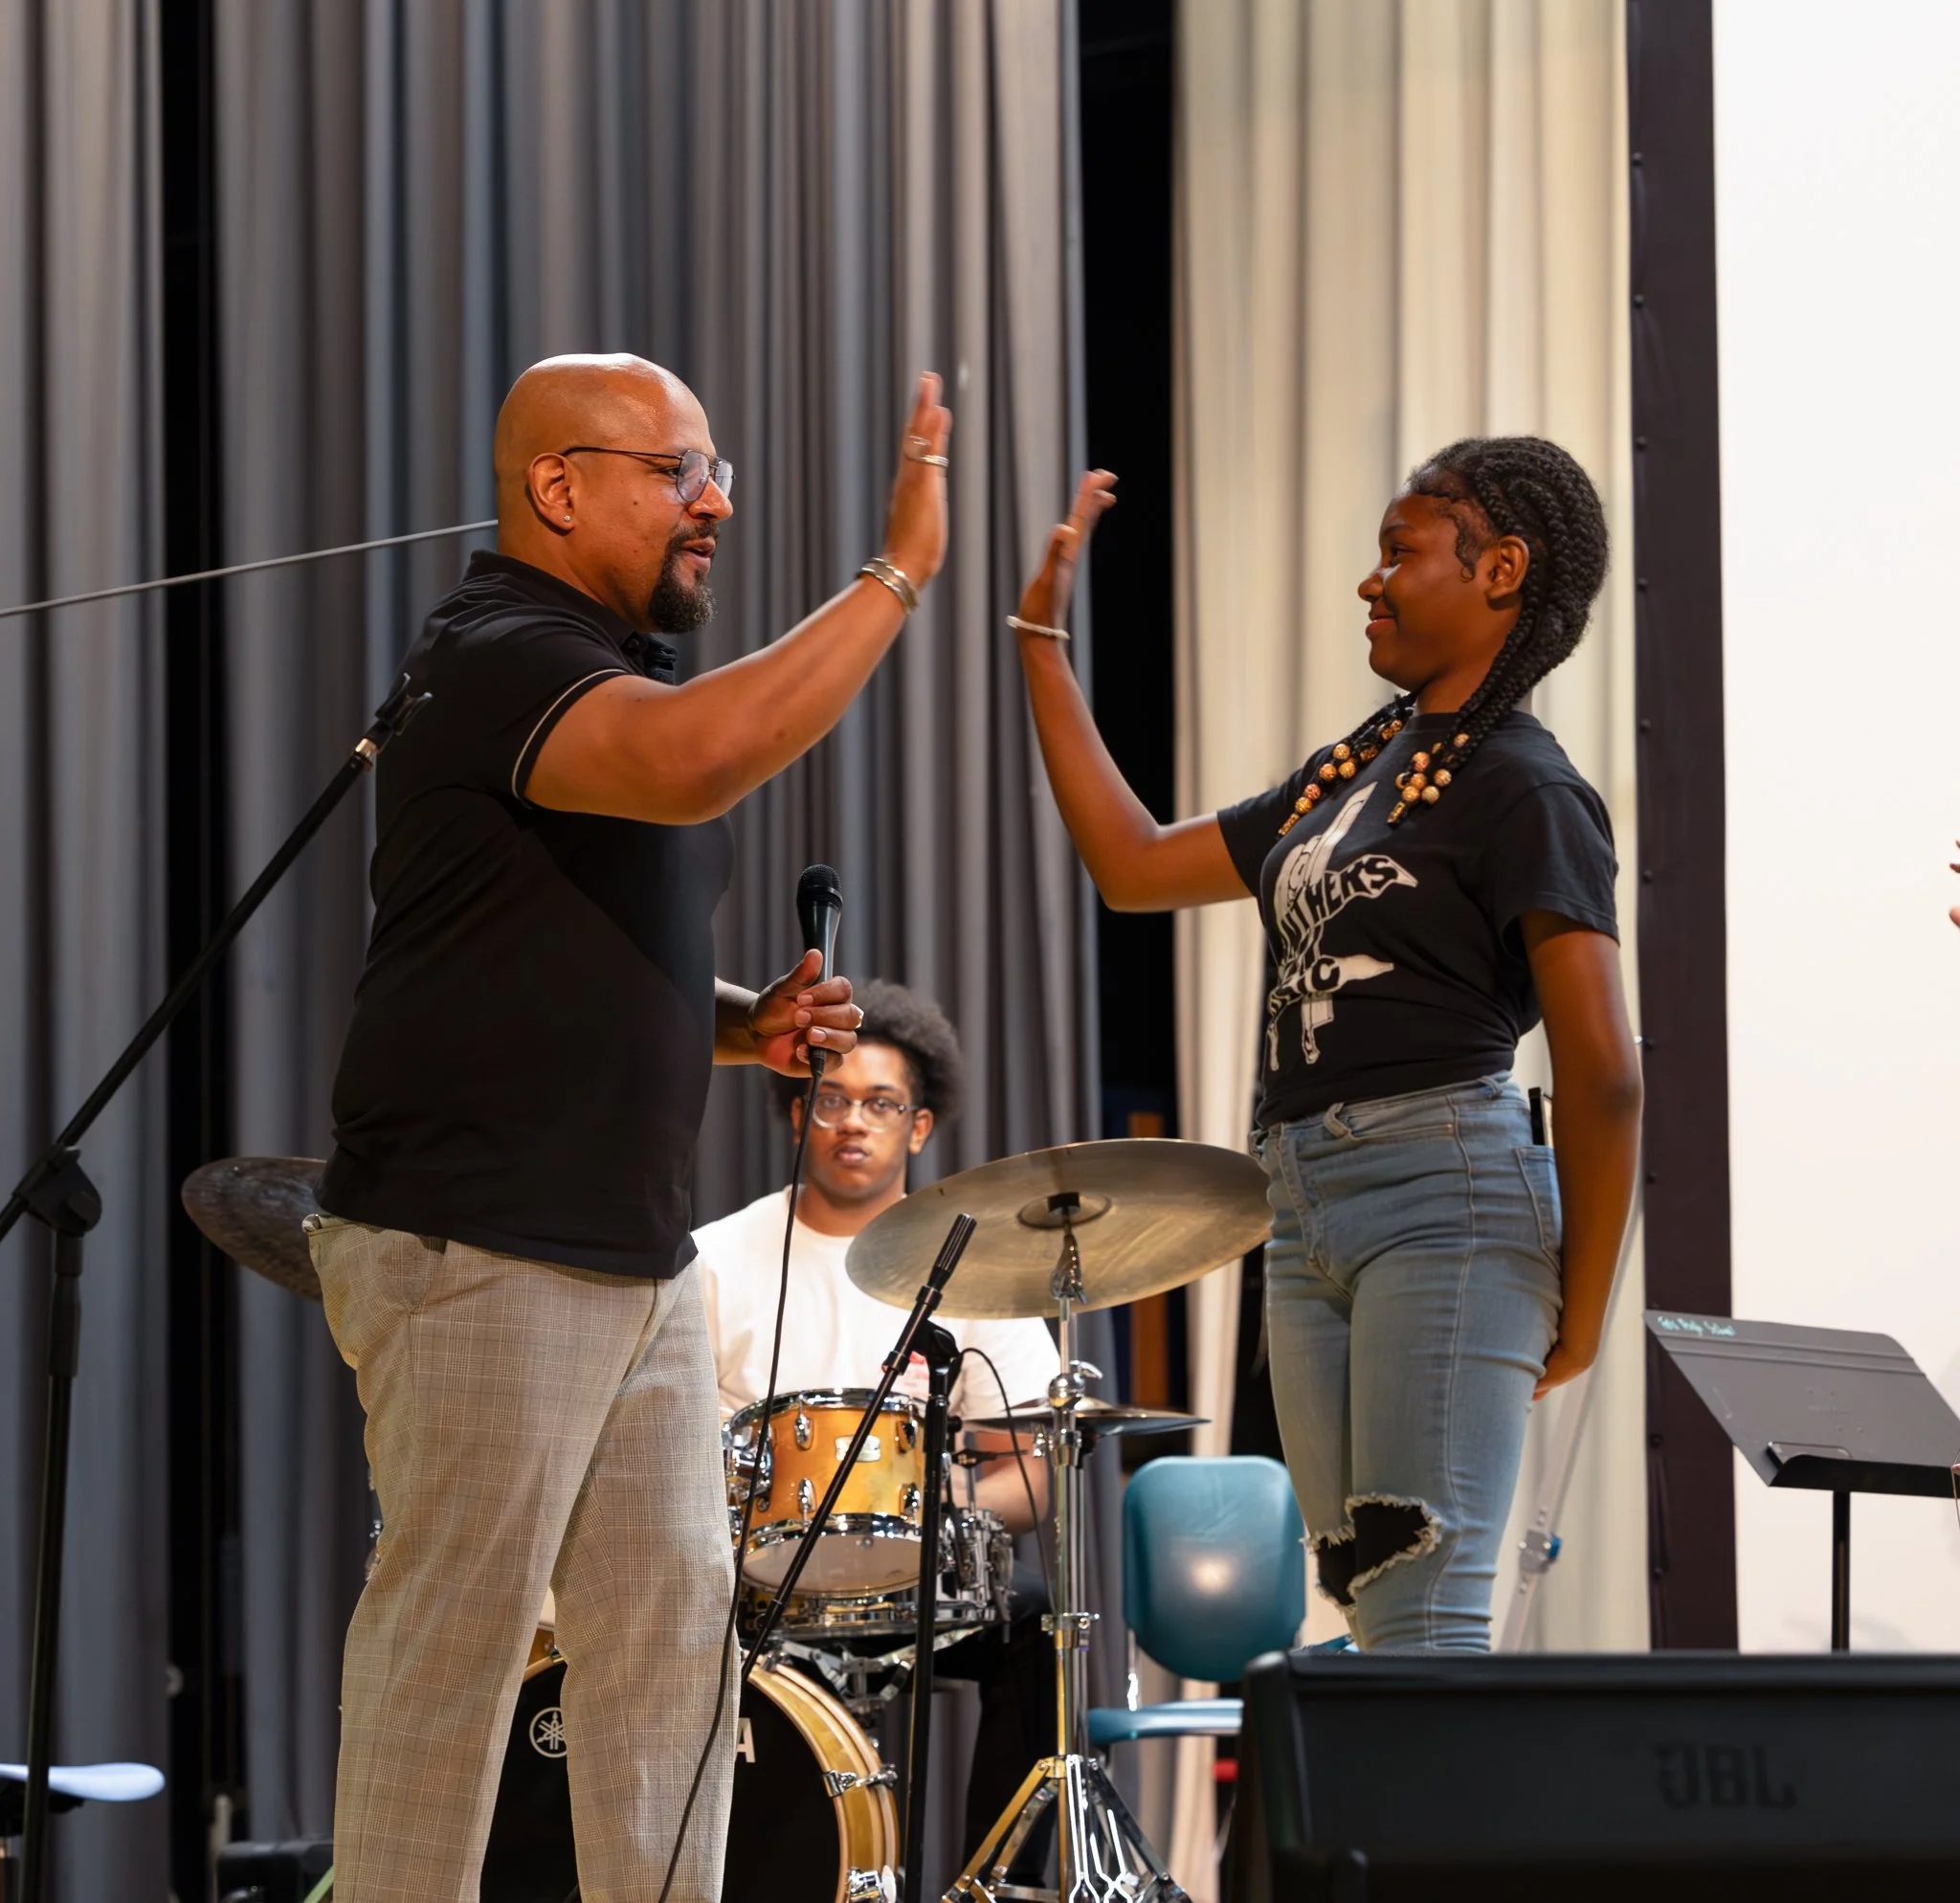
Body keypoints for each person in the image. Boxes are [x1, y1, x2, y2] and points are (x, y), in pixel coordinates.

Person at [304, 353, 950, 1903]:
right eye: (678, 470)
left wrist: (743, 1025)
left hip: (629, 1255)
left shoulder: (580, 662)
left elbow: (548, 929)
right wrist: (894, 575)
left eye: (714, 467)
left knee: (673, 1635)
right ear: (559, 485)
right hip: (481, 1240)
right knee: (452, 1655)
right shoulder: (504, 649)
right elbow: (698, 756)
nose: (716, 497)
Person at [1007, 441, 1641, 1653]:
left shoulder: (1526, 787)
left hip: (1442, 1190)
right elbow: (1132, 866)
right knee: (1363, 1596)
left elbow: (1603, 1069)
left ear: (1500, 569)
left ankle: (1444, 1850)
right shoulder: (1360, 768)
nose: (1370, 581)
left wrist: (1585, 1304)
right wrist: (1041, 647)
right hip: (1304, 1206)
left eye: (1400, 553)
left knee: (1423, 1613)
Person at [691, 979, 1058, 1870]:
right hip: (749, 1583)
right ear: (795, 1115)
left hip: (917, 1578)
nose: (854, 1122)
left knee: (1046, 1627)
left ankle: (992, 1883)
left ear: (919, 1127)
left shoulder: (975, 1268)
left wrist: (943, 1500)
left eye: (881, 1103)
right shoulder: (712, 1259)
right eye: (831, 1100)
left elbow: (1036, 1467)